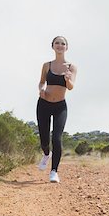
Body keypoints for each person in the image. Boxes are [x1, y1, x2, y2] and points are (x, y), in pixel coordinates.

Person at [36, 36, 77, 183]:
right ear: (53, 46)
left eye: (63, 43)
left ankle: (54, 171)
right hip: (44, 104)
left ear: (67, 47)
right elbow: (41, 83)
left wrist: (67, 79)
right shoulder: (46, 65)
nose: (60, 45)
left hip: (60, 106)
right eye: (57, 43)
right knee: (44, 139)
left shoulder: (71, 67)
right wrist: (41, 90)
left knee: (57, 138)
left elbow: (71, 87)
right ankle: (47, 154)